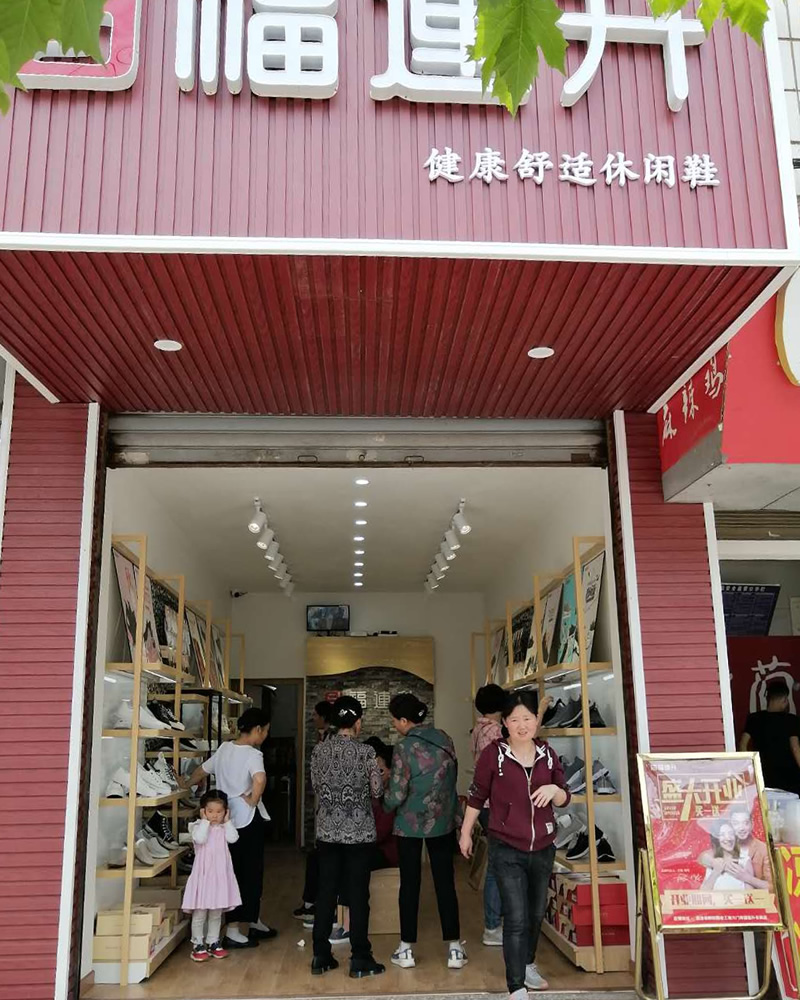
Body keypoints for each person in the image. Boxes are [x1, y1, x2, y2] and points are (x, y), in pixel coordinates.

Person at [459, 690, 570, 999]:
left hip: (543, 847)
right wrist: (465, 832)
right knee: (516, 916)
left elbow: (565, 796)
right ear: (505, 723)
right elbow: (477, 795)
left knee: (535, 914)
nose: (522, 725)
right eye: (515, 719)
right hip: (506, 846)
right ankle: (516, 985)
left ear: (536, 720)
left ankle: (529, 963)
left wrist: (554, 790)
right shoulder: (493, 755)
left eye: (528, 718)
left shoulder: (548, 754)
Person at [384, 692, 465, 971]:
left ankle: (406, 948)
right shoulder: (444, 738)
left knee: (410, 884)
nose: (394, 725)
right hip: (442, 822)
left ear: (404, 721)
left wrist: (384, 804)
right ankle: (455, 949)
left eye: (395, 720)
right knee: (445, 883)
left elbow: (397, 793)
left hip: (409, 825)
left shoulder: (404, 747)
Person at [183, 706, 275, 949]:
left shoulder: (224, 748)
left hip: (224, 819)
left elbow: (202, 770)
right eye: (265, 731)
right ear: (257, 729)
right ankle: (234, 930)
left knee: (231, 871)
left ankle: (252, 920)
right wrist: (253, 799)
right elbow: (260, 779)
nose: (265, 735)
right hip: (246, 819)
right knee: (249, 874)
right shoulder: (253, 754)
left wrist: (184, 785)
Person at [310, 696, 386, 979]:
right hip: (359, 833)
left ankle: (320, 955)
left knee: (326, 892)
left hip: (327, 830)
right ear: (357, 722)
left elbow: (316, 786)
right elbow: (376, 791)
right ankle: (360, 957)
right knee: (357, 895)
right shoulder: (366, 752)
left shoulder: (319, 751)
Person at [182, 790, 241, 962]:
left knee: (216, 912)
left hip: (220, 877)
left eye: (219, 811)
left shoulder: (225, 828)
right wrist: (204, 822)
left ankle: (213, 941)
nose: (215, 815)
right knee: (200, 912)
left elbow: (233, 838)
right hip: (203, 877)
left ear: (225, 812)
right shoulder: (197, 827)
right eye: (210, 811)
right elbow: (200, 839)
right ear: (203, 811)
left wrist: (227, 821)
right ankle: (197, 944)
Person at [293, 700, 337, 924]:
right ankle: (312, 902)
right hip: (323, 803)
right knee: (316, 854)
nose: (312, 718)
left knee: (319, 855)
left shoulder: (334, 740)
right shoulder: (322, 738)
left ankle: (317, 904)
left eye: (315, 714)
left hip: (333, 807)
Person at [471, 683, 505, 947]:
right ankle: (493, 927)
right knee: (497, 866)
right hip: (495, 803)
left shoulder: (478, 728)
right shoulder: (494, 731)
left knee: (497, 863)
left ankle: (495, 924)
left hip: (483, 802)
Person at [740, 679, 800, 793]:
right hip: (789, 777)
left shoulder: (754, 719)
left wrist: (750, 768)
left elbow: (743, 745)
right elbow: (795, 747)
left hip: (763, 774)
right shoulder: (791, 720)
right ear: (784, 699)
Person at [698, 806, 772, 891]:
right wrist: (716, 864)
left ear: (752, 824)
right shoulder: (724, 848)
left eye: (746, 823)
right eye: (736, 823)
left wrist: (747, 878)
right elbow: (702, 857)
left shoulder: (762, 850)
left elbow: (773, 887)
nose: (741, 828)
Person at [701, 820, 752, 890]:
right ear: (716, 839)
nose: (728, 838)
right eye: (722, 835)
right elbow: (703, 893)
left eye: (731, 833)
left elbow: (751, 893)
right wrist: (716, 871)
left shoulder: (744, 860)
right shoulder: (713, 861)